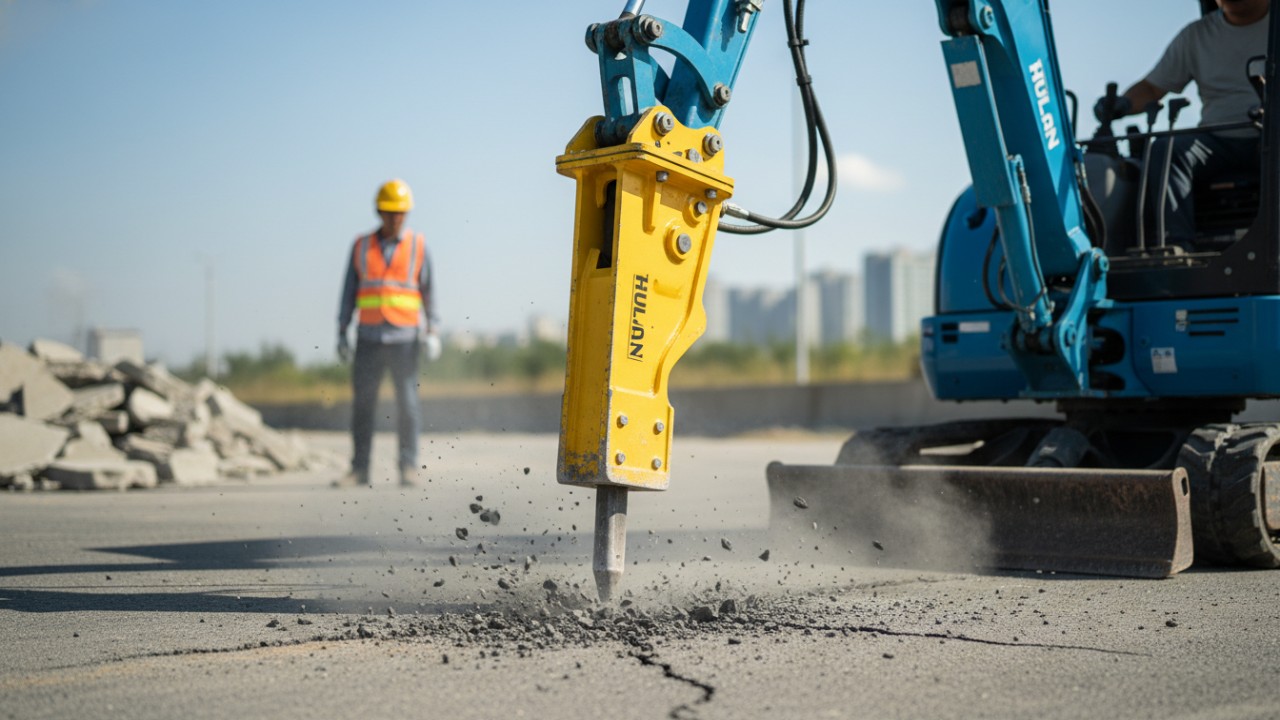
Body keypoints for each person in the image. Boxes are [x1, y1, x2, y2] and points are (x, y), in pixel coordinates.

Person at [1096, 0, 1269, 249]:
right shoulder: (1197, 35)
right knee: (1167, 149)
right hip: (1216, 140)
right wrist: (1121, 105)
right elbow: (1153, 87)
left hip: (1270, 136)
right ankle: (1177, 245)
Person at [334, 179, 441, 488]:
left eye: (401, 213)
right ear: (379, 212)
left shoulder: (418, 246)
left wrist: (433, 329)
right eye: (390, 212)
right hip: (368, 338)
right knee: (363, 405)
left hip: (405, 341)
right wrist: (342, 330)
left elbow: (429, 292)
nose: (395, 219)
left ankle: (408, 466)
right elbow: (348, 292)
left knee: (408, 404)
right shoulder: (361, 246)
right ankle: (359, 469)